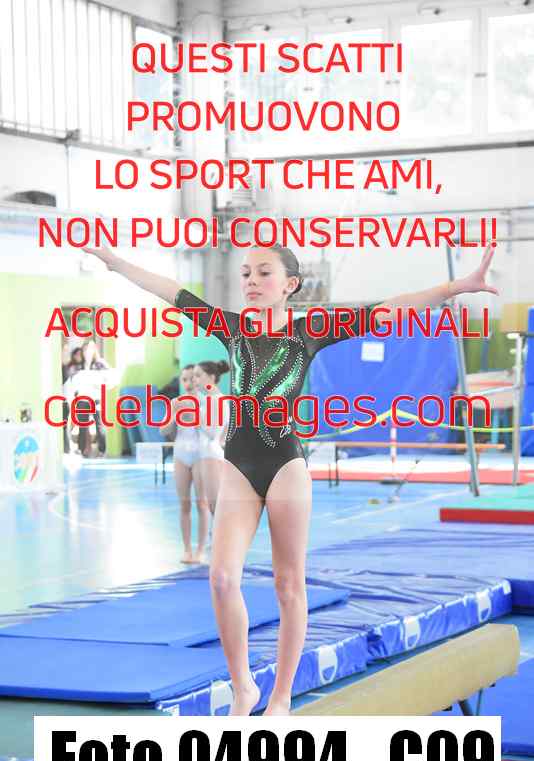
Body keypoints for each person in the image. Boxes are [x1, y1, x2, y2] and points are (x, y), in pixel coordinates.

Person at [83, 241, 497, 715]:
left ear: (290, 284)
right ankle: (244, 687)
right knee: (221, 578)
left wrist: (455, 287)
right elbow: (170, 290)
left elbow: (387, 309)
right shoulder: (230, 328)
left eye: (263, 272)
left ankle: (280, 696)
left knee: (288, 585)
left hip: (285, 465)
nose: (251, 281)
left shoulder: (309, 333)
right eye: (245, 273)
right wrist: (117, 264)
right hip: (238, 465)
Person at [161, 364, 209, 564]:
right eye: (185, 379)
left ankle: (201, 550)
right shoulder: (176, 403)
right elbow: (164, 431)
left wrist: (196, 415)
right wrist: (174, 415)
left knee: (202, 503)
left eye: (192, 378)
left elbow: (212, 430)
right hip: (181, 453)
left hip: (201, 454)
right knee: (184, 504)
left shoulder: (206, 402)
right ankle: (187, 549)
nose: (189, 383)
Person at [193, 360, 230, 521]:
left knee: (215, 506)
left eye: (198, 375)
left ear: (211, 377)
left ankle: (220, 535)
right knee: (211, 505)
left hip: (210, 454)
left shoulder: (215, 400)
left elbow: (212, 432)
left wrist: (194, 418)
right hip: (209, 452)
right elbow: (224, 430)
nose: (194, 380)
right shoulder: (212, 399)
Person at [77, 339, 111, 457]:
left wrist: (101, 384)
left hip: (96, 398)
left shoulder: (100, 364)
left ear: (94, 350)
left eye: (89, 349)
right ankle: (83, 450)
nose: (87, 351)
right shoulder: (80, 364)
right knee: (82, 425)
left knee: (99, 424)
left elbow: (110, 378)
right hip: (82, 398)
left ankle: (102, 450)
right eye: (85, 349)